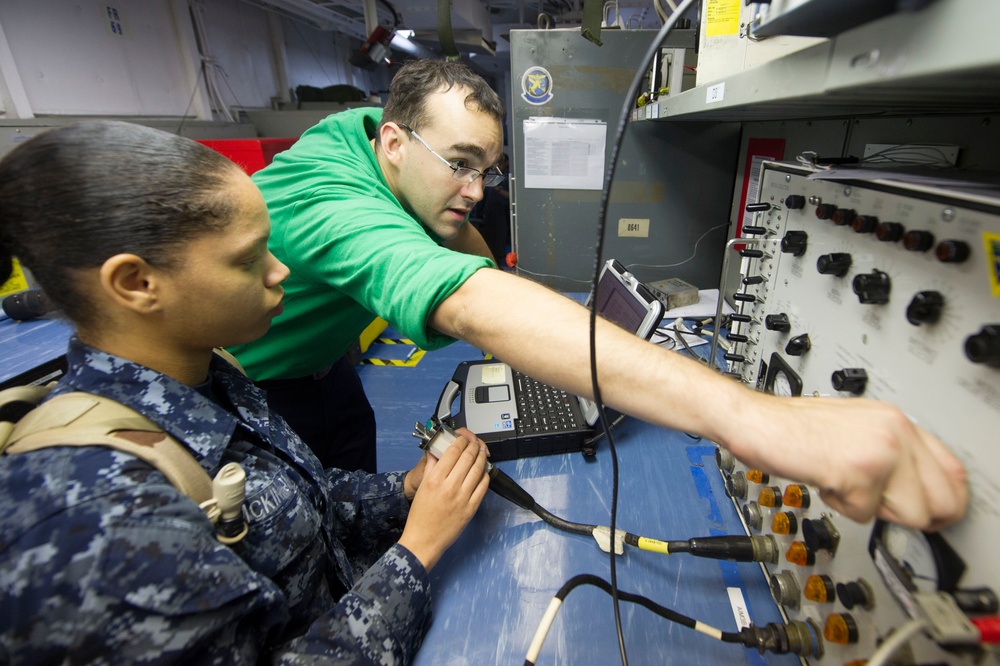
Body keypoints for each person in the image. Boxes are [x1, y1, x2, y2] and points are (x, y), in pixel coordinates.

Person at [232, 58, 967, 531]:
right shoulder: (335, 199)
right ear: (395, 142)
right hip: (246, 391)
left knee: (351, 508)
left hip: (324, 371)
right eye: (459, 163)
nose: (475, 189)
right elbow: (458, 295)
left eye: (486, 169)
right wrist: (752, 419)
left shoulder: (378, 146)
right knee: (293, 537)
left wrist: (537, 330)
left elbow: (462, 251)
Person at [0, 120, 490, 663]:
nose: (279, 270)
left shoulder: (209, 372)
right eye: (248, 257)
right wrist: (417, 551)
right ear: (136, 284)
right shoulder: (101, 521)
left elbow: (296, 507)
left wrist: (404, 491)